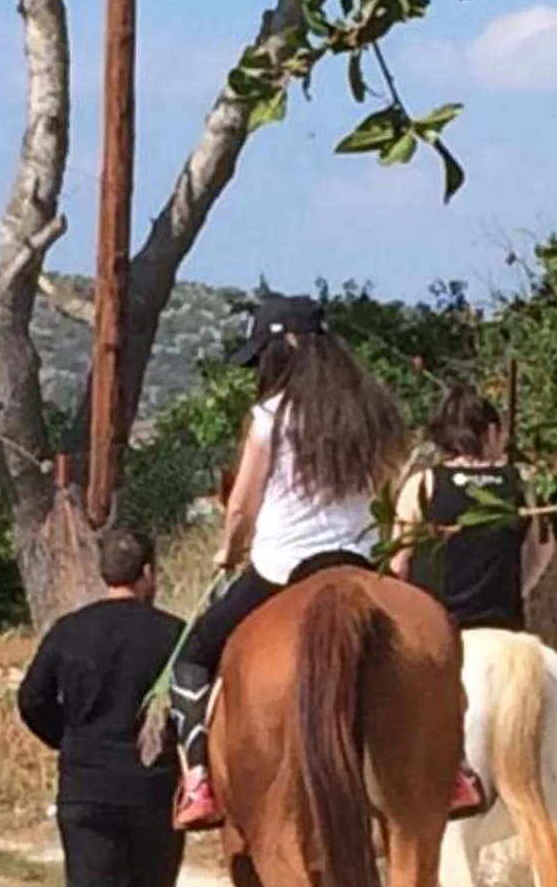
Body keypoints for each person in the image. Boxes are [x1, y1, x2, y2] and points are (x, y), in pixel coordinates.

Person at [167, 291, 489, 834]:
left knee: (193, 655)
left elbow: (243, 501)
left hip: (280, 567)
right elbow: (385, 486)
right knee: (438, 644)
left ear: (284, 348)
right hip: (359, 560)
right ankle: (454, 768)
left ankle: (199, 780)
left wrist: (230, 548)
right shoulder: (371, 410)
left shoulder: (269, 416)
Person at [16, 524, 185, 887]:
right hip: (154, 785)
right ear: (149, 574)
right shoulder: (174, 635)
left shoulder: (69, 632)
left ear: (103, 572)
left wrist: (67, 739)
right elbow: (196, 708)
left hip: (87, 785)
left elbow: (31, 698)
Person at [390, 383, 557, 636]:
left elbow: (398, 564)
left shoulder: (423, 486)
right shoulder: (524, 487)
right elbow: (542, 550)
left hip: (435, 632)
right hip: (501, 627)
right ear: (491, 432)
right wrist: (515, 591)